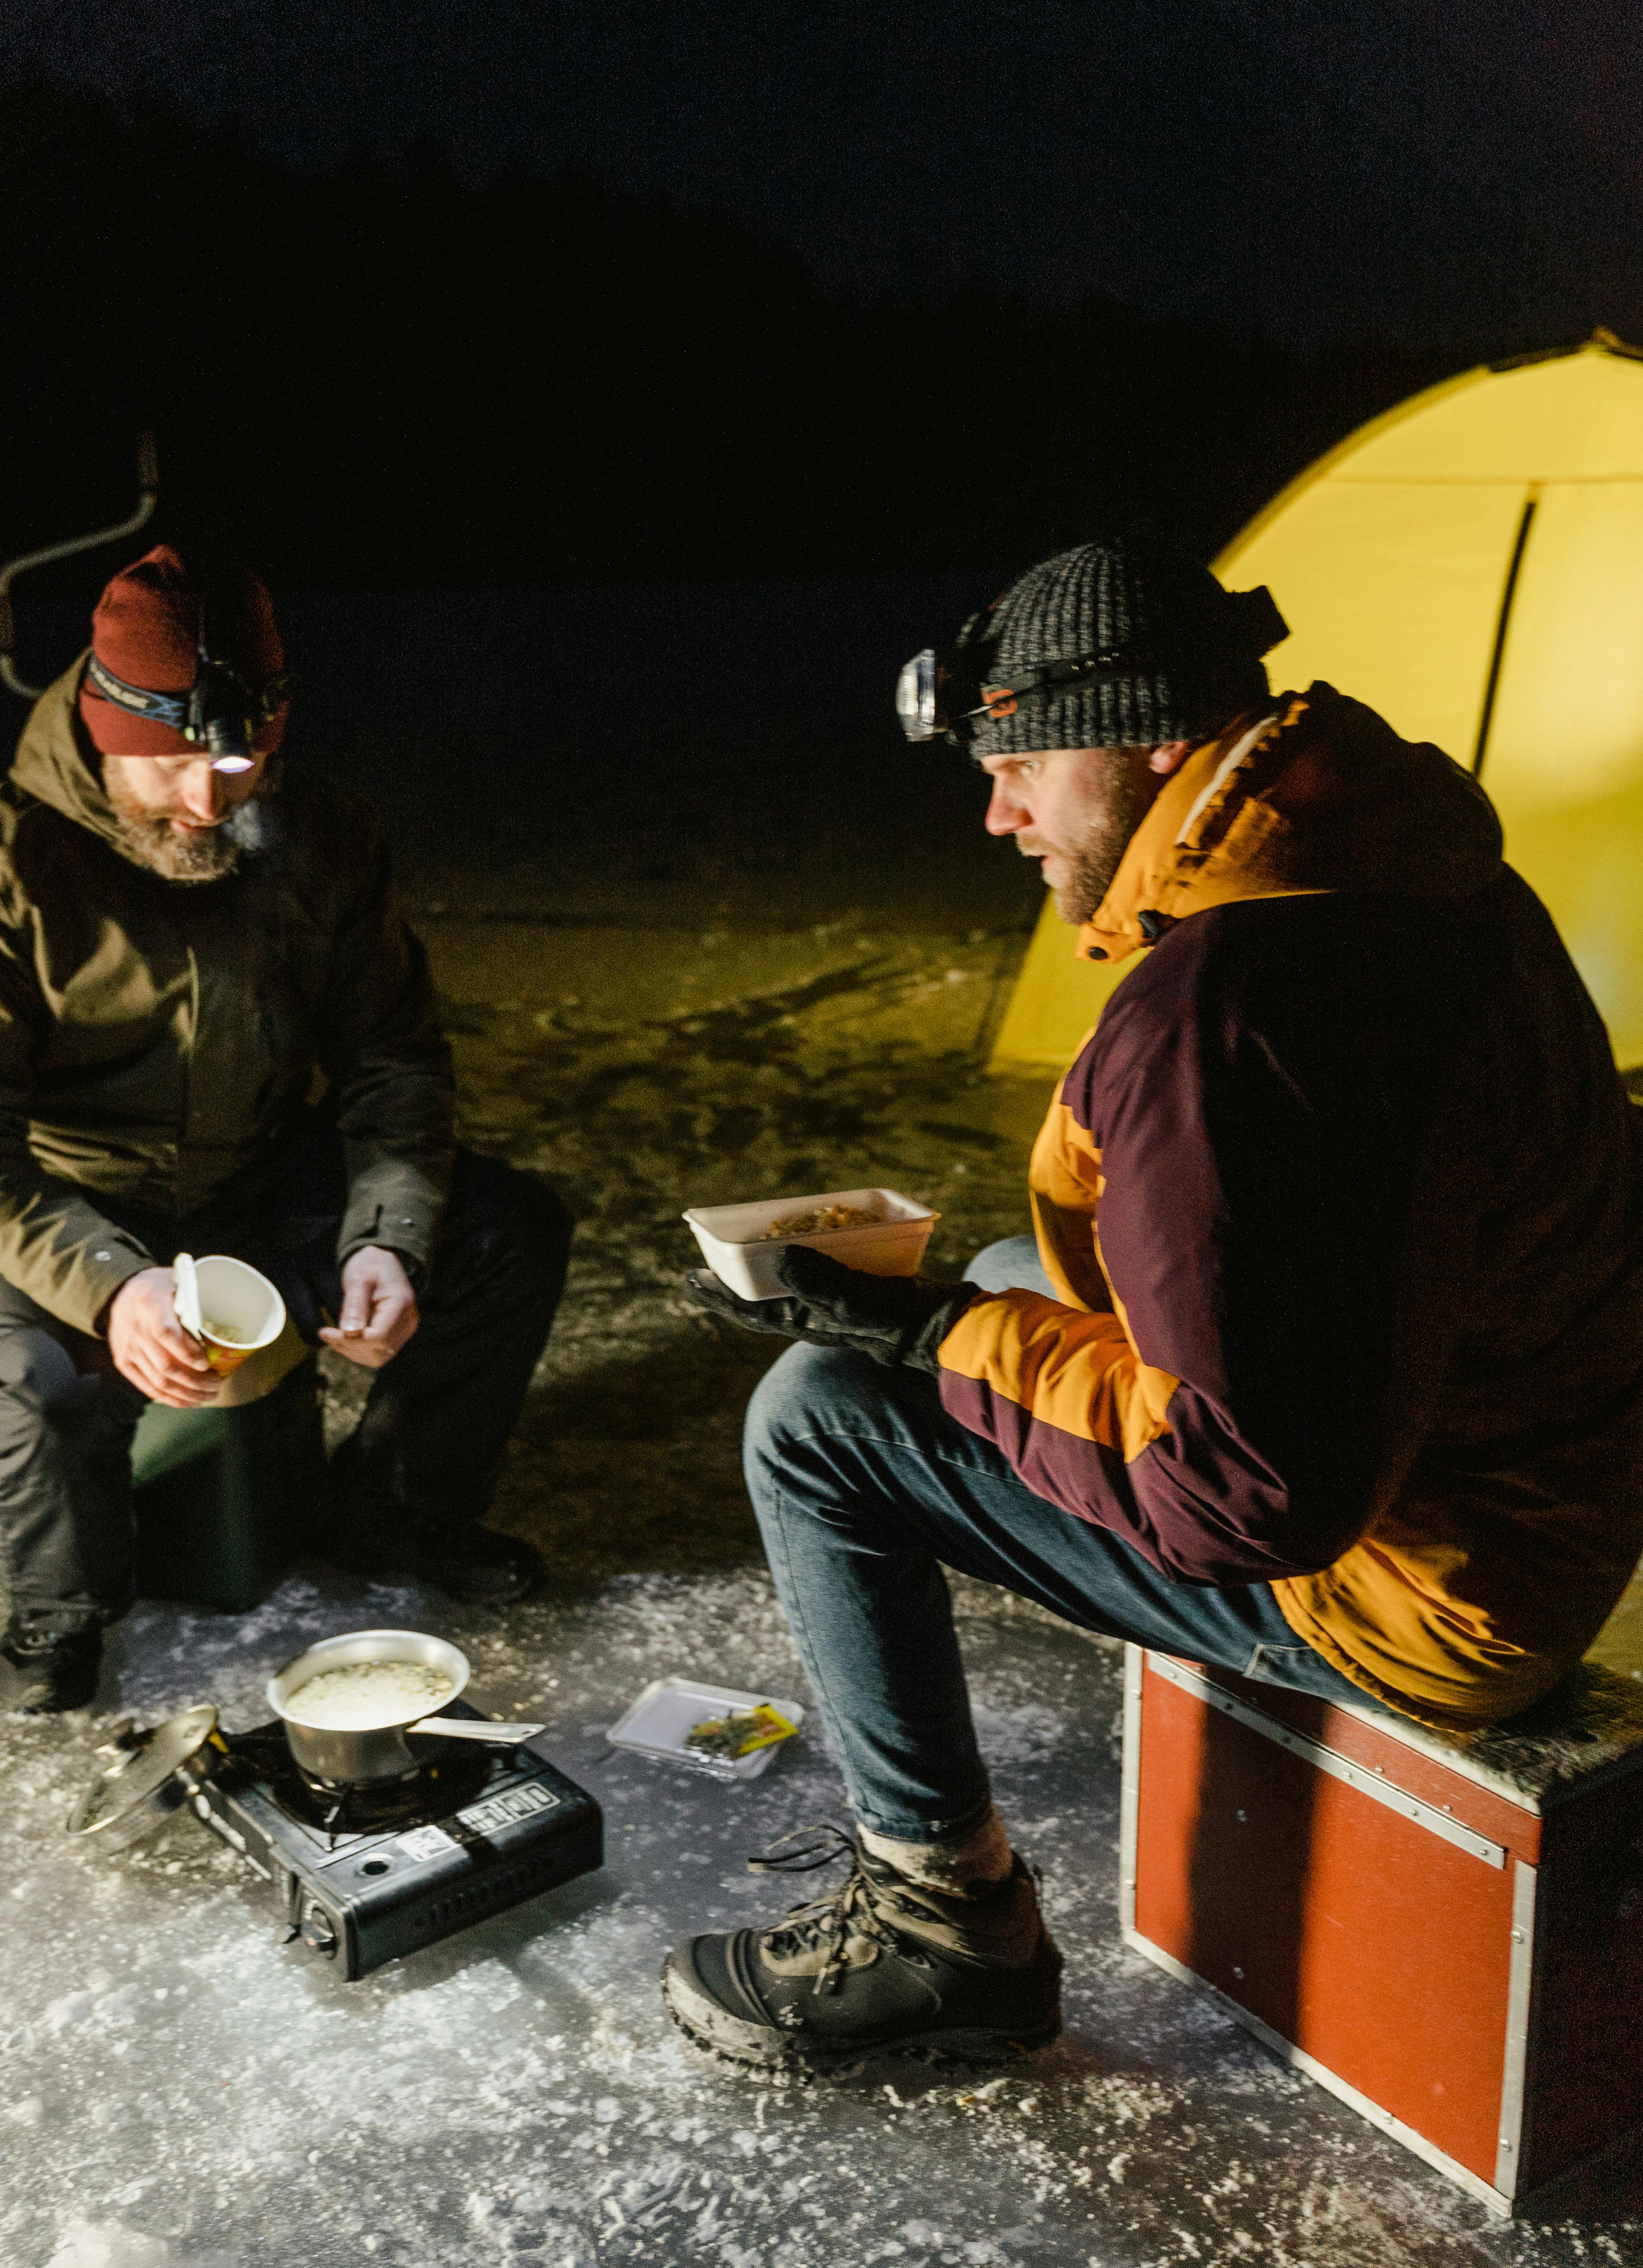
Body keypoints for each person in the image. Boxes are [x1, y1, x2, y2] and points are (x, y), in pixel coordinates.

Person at [668, 535, 1643, 2072]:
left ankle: (946, 1929)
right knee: (1001, 1275)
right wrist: (970, 1322)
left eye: (1023, 770)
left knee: (817, 1422)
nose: (997, 814)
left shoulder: (1229, 1016)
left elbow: (1246, 1499)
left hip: (1419, 1595)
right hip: (1544, 1489)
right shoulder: (1410, 870)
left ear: (1153, 745)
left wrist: (925, 1345)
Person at [0, 544, 572, 1714]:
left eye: (238, 761)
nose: (208, 802)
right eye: (168, 766)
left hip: (258, 1174)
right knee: (42, 1379)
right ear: (106, 730)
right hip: (75, 1198)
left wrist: (384, 1237)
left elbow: (391, 1059)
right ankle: (60, 1612)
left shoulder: (324, 834)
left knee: (509, 1232)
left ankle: (393, 1511)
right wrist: (111, 1285)